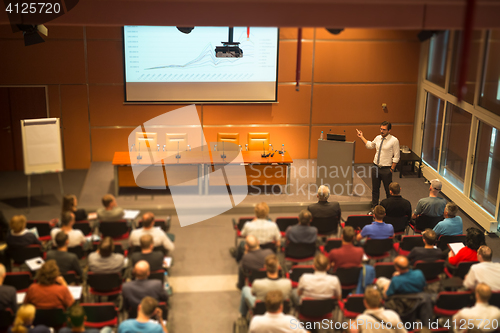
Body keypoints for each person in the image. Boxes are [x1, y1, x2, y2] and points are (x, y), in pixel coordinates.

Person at [356, 121, 400, 209]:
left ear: (389, 130)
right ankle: (374, 207)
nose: (381, 131)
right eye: (381, 129)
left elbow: (397, 156)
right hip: (375, 167)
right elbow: (370, 145)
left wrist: (391, 169)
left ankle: (389, 208)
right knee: (375, 189)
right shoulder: (378, 138)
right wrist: (362, 137)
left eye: (384, 130)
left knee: (388, 191)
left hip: (386, 169)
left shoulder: (394, 140)